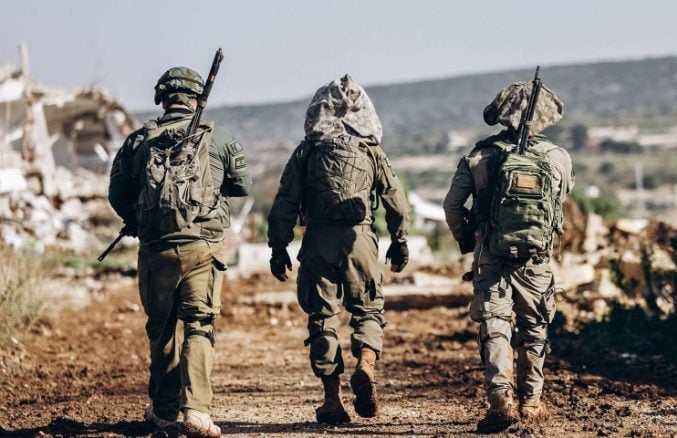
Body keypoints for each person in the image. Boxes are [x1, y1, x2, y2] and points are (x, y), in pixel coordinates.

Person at [108, 66, 252, 438]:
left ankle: (164, 410)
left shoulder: (138, 140)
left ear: (162, 98)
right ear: (196, 97)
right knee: (200, 325)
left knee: (162, 330)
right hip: (203, 248)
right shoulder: (218, 136)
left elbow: (117, 193)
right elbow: (242, 185)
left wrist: (138, 219)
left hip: (156, 249)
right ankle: (198, 411)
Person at [267, 74, 410, 425]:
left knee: (322, 317)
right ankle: (366, 366)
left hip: (317, 241)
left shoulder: (307, 150)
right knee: (369, 310)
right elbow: (395, 199)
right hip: (360, 241)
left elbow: (285, 201)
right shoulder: (371, 150)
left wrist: (278, 247)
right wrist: (400, 239)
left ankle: (332, 401)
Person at [443, 79, 574, 433]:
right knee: (535, 327)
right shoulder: (558, 158)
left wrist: (468, 239)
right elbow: (559, 203)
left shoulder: (478, 157)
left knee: (495, 324)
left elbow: (452, 206)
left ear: (502, 114)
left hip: (491, 253)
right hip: (536, 259)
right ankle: (531, 402)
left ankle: (500, 398)